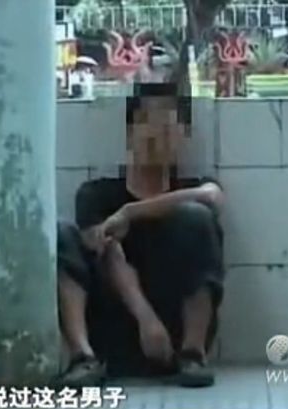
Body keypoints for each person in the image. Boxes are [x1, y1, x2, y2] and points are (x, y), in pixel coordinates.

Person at [55, 81, 226, 388]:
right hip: (115, 335)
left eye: (166, 124)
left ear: (184, 135)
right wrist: (146, 319)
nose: (154, 133)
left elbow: (211, 196)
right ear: (129, 133)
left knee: (198, 217)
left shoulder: (193, 190)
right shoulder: (96, 194)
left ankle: (193, 353)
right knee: (63, 234)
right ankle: (82, 358)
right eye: (145, 121)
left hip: (173, 341)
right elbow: (107, 253)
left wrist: (130, 212)